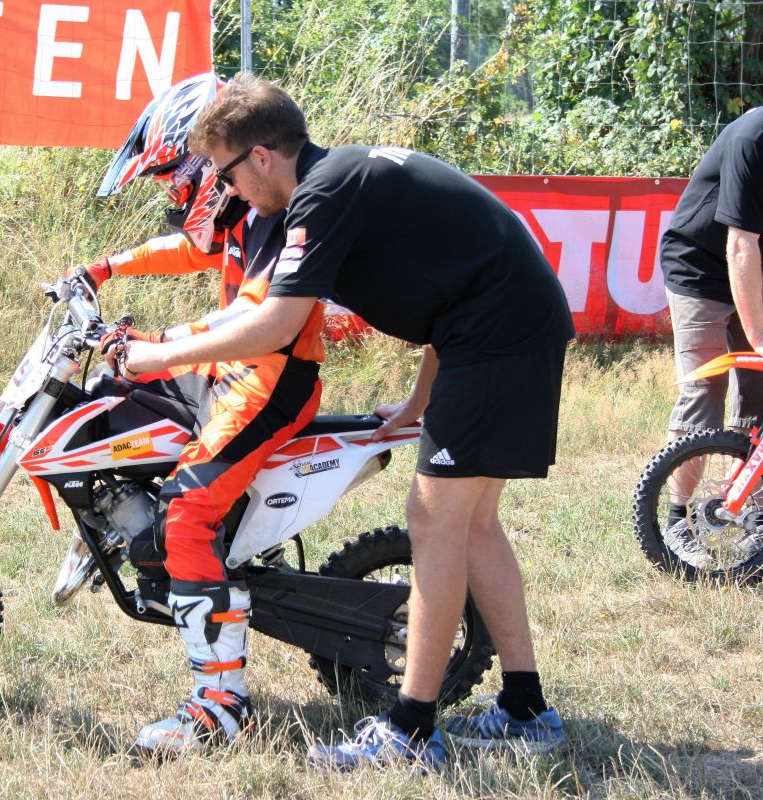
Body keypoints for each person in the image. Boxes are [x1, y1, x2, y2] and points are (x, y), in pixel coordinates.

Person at [121, 74, 575, 771]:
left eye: (228, 174)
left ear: (262, 156)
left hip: (498, 336)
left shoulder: (322, 194)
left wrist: (157, 356)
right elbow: (455, 284)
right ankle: (525, 709)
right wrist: (420, 404)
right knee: (474, 524)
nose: (228, 190)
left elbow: (276, 325)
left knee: (435, 523)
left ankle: (411, 731)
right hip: (500, 324)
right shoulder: (339, 178)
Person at [86, 73, 328, 755]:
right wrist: (103, 269)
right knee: (115, 401)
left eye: (176, 179)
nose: (173, 195)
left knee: (188, 512)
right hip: (237, 369)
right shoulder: (245, 210)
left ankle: (220, 706)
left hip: (268, 381)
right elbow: (193, 250)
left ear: (210, 168)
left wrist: (157, 343)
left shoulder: (281, 217)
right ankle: (115, 528)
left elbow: (250, 318)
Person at [661, 95, 763, 561]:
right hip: (699, 268)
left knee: (762, 399)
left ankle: (753, 521)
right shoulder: (762, 137)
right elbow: (740, 242)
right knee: (705, 391)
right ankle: (677, 524)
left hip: (760, 274)